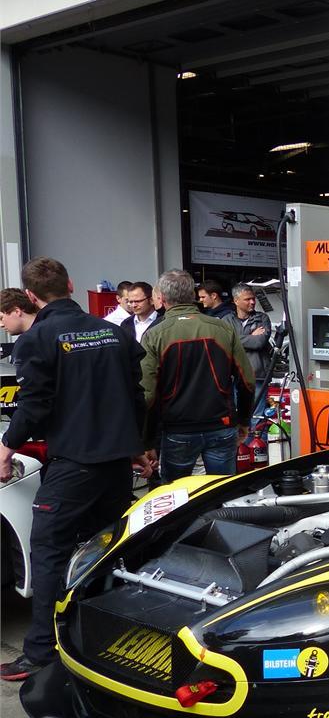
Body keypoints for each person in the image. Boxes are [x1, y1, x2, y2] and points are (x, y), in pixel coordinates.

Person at [0, 257, 145, 682]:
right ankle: (106, 635)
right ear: (70, 284)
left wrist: (6, 449)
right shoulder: (113, 331)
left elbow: (33, 406)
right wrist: (137, 447)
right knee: (108, 549)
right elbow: (136, 397)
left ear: (30, 296)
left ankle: (42, 651)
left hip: (74, 465)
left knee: (47, 552)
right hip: (116, 465)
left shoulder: (38, 337)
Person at [141, 269, 254, 483]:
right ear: (193, 296)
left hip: (177, 429)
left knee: (175, 498)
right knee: (221, 493)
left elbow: (147, 394)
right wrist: (244, 420)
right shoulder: (222, 328)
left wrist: (147, 442)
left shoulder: (154, 335)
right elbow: (246, 380)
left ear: (162, 298)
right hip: (221, 425)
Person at [230, 283, 273, 416]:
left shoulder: (262, 318)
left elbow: (258, 343)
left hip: (257, 375)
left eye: (253, 298)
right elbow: (224, 343)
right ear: (236, 301)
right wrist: (250, 337)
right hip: (233, 376)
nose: (253, 302)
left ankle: (255, 438)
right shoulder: (227, 320)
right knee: (236, 416)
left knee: (255, 417)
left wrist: (235, 340)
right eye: (247, 299)